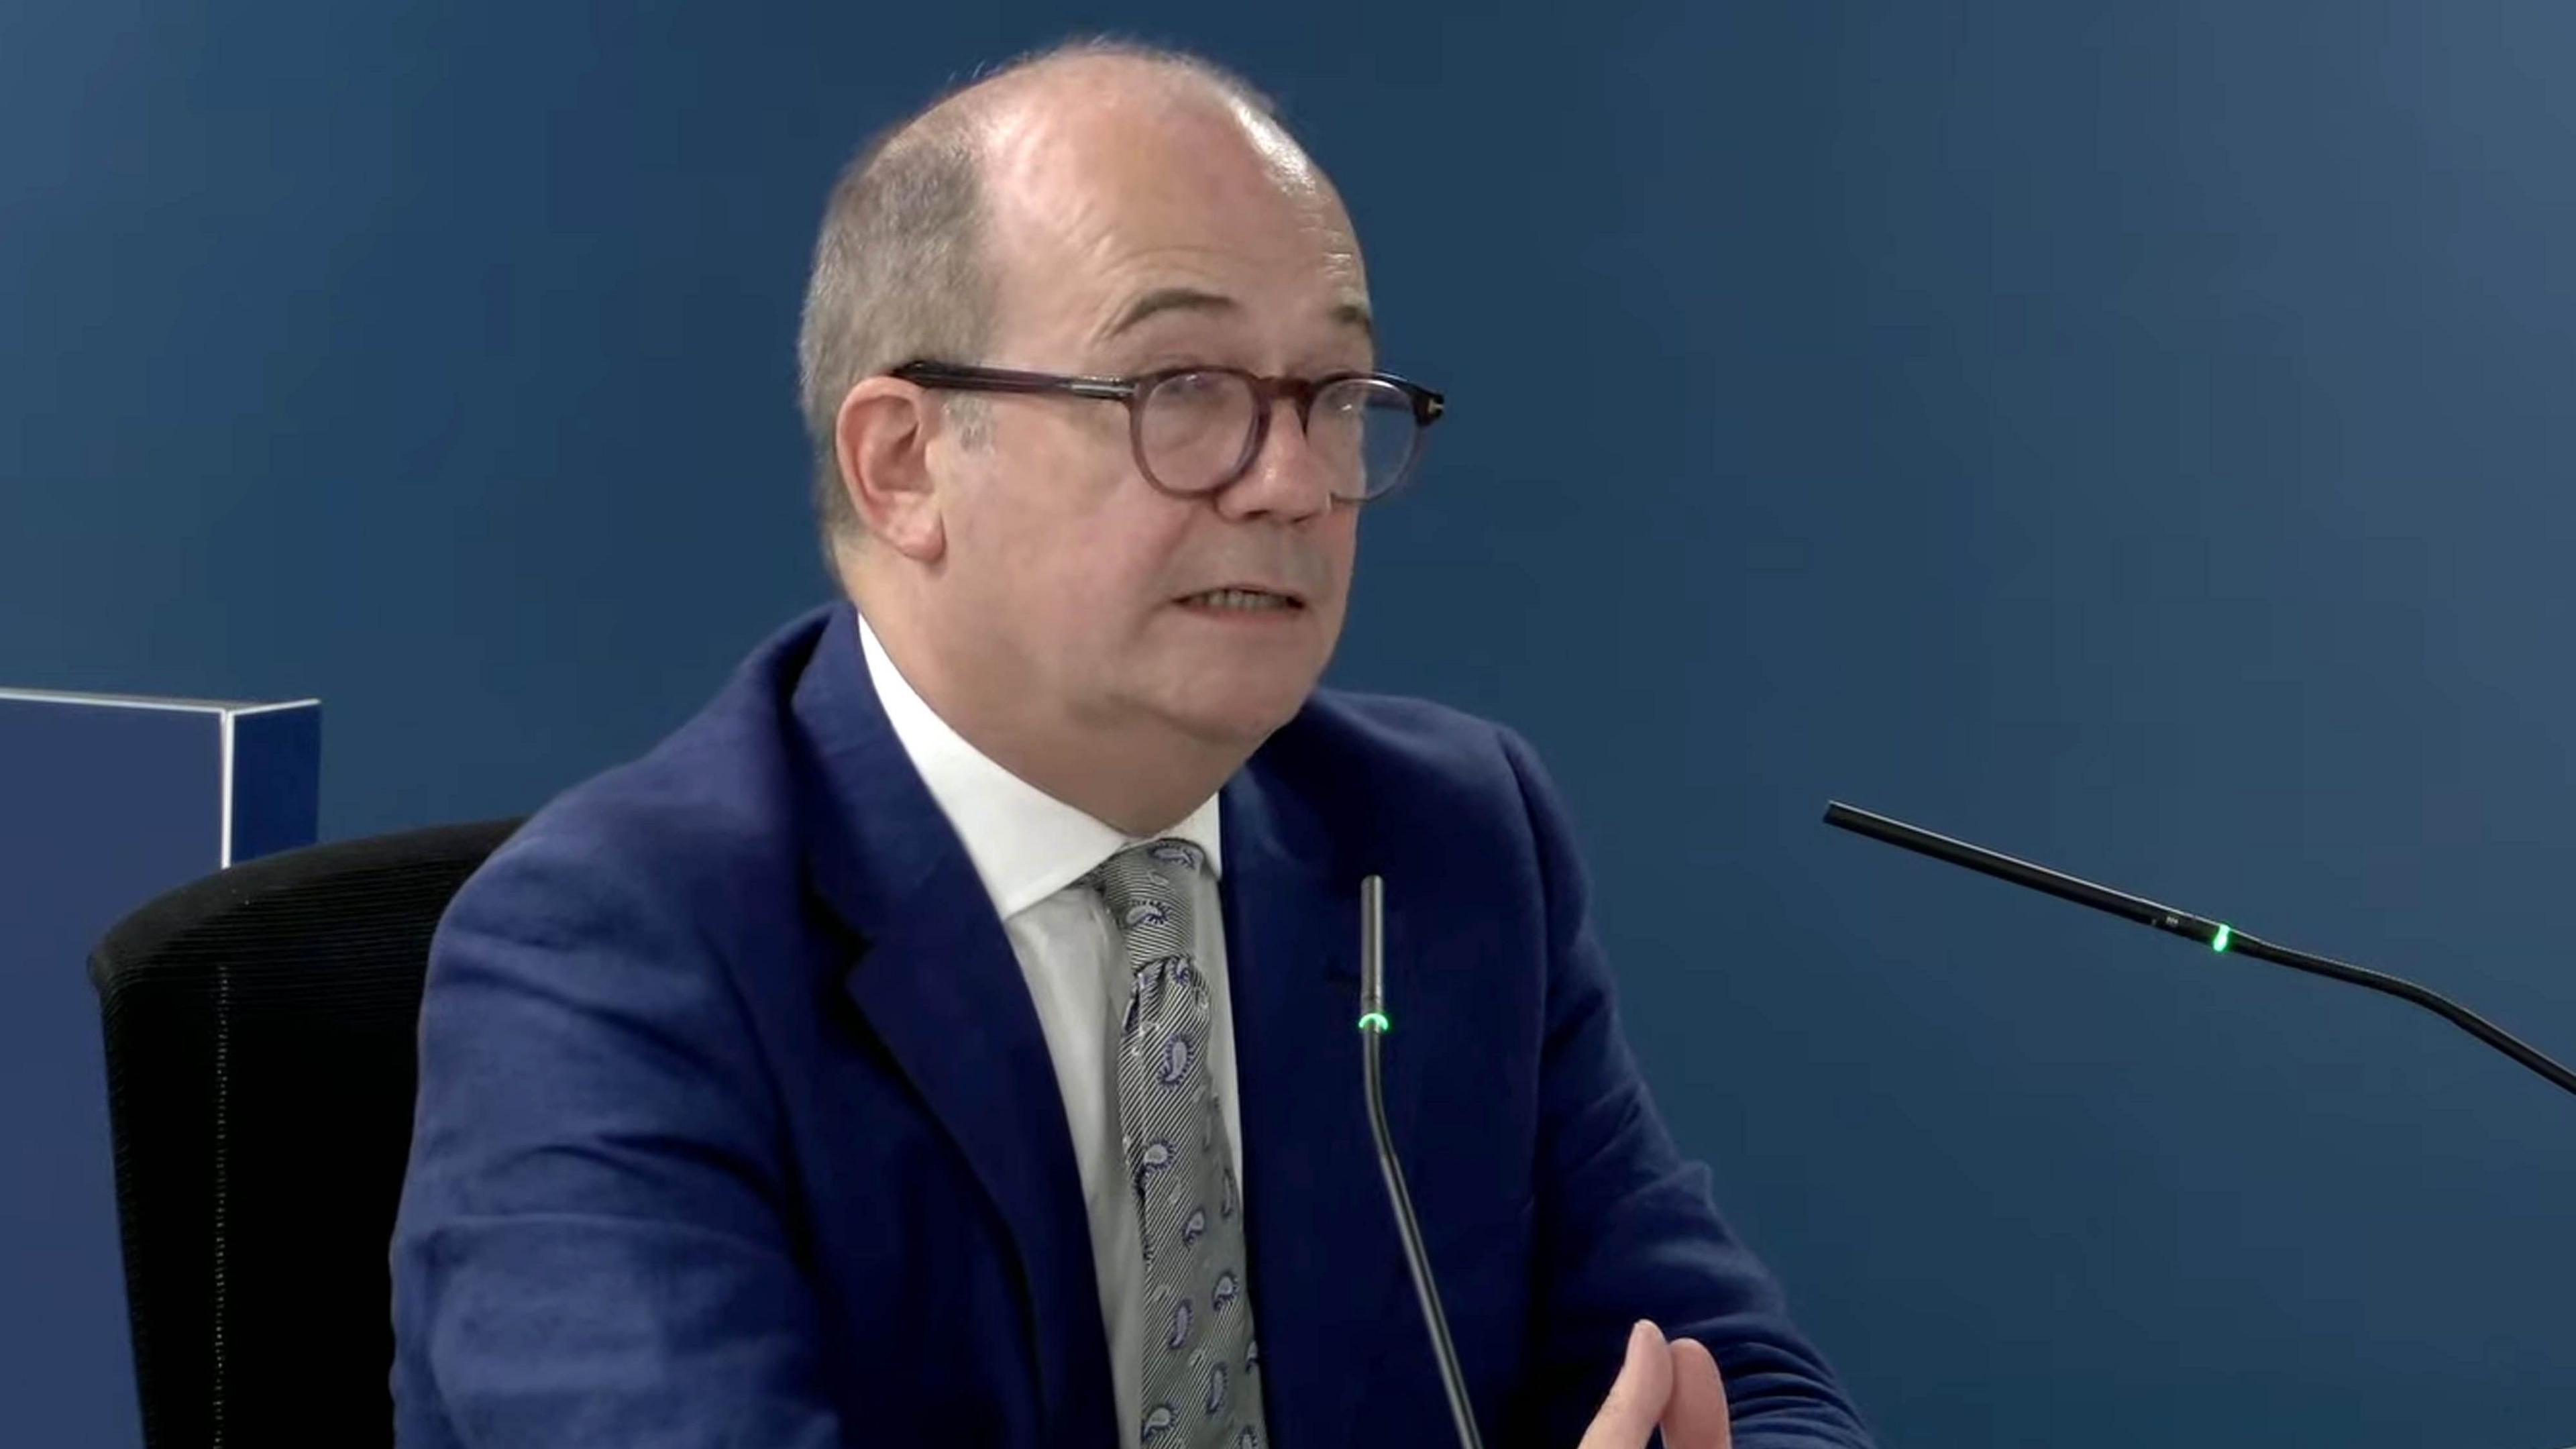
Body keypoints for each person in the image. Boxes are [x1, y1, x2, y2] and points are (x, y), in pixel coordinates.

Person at [391, 40, 1872, 1449]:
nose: (1293, 483)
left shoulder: (1443, 844)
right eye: (1185, 393)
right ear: (905, 465)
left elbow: (1736, 1383)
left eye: (1336, 398)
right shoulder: (612, 956)